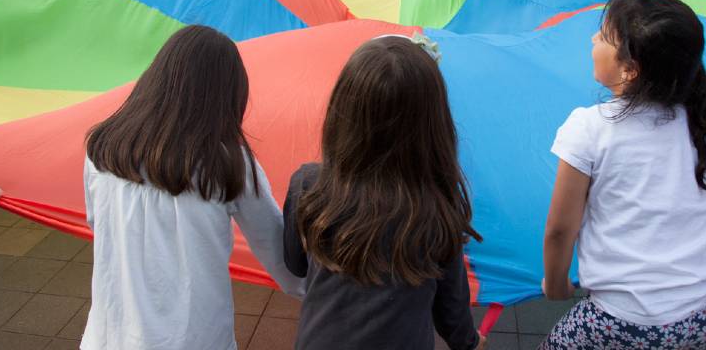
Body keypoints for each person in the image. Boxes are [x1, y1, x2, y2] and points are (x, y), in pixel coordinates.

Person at [540, 0, 706, 349]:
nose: (593, 38)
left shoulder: (590, 127)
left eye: (603, 36)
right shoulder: (698, 122)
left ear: (630, 70)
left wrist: (554, 283)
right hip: (704, 311)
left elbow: (560, 229)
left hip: (626, 320)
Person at [81, 25, 302, 350]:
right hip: (194, 339)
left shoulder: (102, 147)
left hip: (107, 336)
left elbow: (98, 225)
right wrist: (333, 293)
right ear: (226, 93)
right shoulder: (228, 161)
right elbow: (278, 253)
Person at [283, 35, 485, 350]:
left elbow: (295, 264)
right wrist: (469, 342)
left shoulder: (309, 185)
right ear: (432, 124)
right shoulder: (435, 206)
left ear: (343, 112)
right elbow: (451, 306)